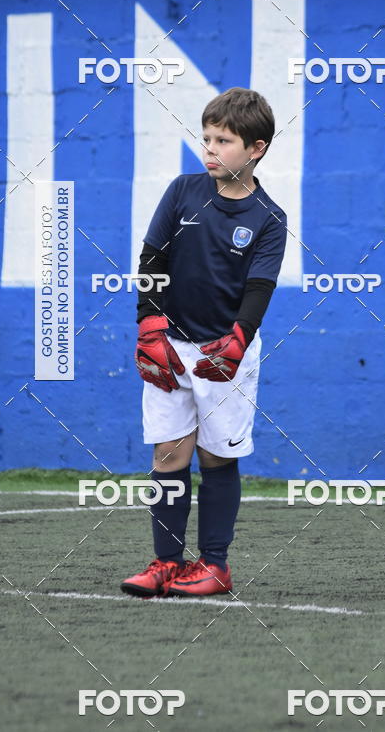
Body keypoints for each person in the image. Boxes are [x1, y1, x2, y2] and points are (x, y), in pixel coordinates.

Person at [121, 87, 287, 598]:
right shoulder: (182, 191)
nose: (210, 149)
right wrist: (149, 327)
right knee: (168, 454)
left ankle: (215, 566)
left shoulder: (269, 219)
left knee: (216, 458)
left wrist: (238, 341)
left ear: (255, 148)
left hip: (225, 353)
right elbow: (152, 260)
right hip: (169, 347)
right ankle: (166, 564)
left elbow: (259, 289)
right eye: (206, 137)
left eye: (224, 140)